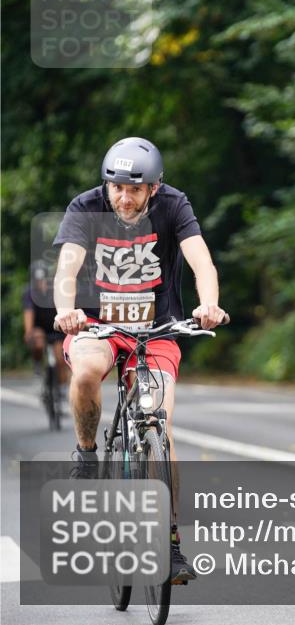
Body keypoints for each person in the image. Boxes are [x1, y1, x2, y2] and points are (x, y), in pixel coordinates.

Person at [52, 137, 228, 585]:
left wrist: (209, 303)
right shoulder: (85, 206)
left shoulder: (174, 206)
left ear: (154, 188)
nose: (124, 198)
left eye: (135, 189)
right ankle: (87, 455)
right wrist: (67, 310)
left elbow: (201, 261)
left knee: (161, 423)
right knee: (87, 373)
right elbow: (67, 268)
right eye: (116, 188)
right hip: (97, 326)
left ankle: (168, 545)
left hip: (157, 329)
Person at [22, 259, 68, 396]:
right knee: (37, 340)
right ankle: (37, 365)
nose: (40, 284)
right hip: (40, 328)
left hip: (56, 327)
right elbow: (28, 312)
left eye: (42, 280)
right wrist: (28, 332)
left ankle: (62, 388)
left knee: (60, 358)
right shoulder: (29, 293)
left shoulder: (56, 289)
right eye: (37, 281)